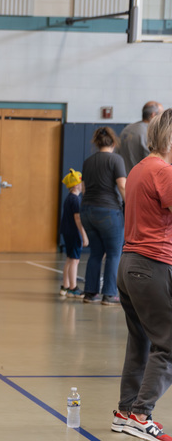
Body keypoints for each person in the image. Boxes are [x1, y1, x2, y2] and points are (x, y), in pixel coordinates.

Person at [111, 108, 172, 441]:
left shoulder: (139, 168)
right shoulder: (163, 171)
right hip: (152, 266)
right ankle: (141, 415)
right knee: (169, 344)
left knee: (141, 342)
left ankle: (125, 412)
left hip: (130, 264)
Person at [80, 126, 127, 306]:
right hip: (108, 211)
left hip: (87, 210)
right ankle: (109, 294)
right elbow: (122, 186)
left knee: (95, 254)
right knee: (114, 253)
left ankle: (90, 293)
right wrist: (130, 205)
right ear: (114, 143)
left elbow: (84, 189)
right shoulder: (116, 159)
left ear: (97, 143)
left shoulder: (88, 161)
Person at [59, 169, 88, 298]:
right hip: (74, 233)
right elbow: (78, 219)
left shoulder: (68, 199)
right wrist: (84, 235)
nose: (83, 186)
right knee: (75, 261)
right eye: (81, 183)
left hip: (67, 232)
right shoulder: (76, 200)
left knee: (70, 259)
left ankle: (65, 285)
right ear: (77, 185)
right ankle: (73, 287)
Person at [116, 101, 164, 174]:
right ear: (153, 115)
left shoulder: (126, 129)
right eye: (161, 114)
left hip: (125, 178)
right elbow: (152, 161)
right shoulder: (149, 133)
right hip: (141, 178)